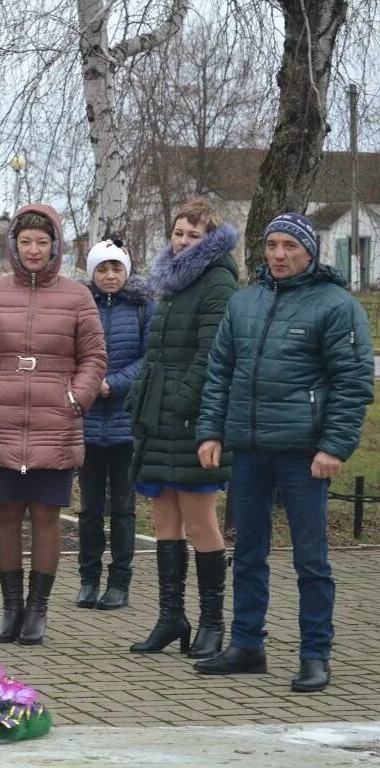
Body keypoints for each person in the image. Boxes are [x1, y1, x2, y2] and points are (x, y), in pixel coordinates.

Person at [194, 213, 374, 692]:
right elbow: (219, 373)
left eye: (289, 246)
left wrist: (334, 446)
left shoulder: (336, 306)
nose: (278, 254)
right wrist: (211, 432)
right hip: (249, 450)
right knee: (248, 553)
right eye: (272, 245)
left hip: (304, 453)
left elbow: (353, 383)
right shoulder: (244, 302)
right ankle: (247, 644)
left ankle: (316, 654)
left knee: (310, 560)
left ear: (309, 252)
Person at [0, 204, 106, 646]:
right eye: (25, 241)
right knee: (5, 516)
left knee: (46, 516)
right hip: (3, 420)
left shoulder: (78, 297)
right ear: (13, 245)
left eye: (42, 242)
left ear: (55, 247)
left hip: (55, 423)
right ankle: (11, 607)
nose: (33, 249)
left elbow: (95, 358)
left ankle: (38, 610)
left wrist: (74, 399)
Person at [128, 197, 238, 658]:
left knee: (200, 520)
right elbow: (158, 350)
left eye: (194, 235)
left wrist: (180, 400)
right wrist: (144, 398)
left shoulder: (218, 281)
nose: (183, 241)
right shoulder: (170, 282)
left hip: (194, 418)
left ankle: (213, 622)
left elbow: (213, 353)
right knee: (164, 518)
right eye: (178, 233)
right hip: (157, 417)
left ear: (209, 240)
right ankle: (171, 616)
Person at [76, 240, 154, 611]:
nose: (110, 276)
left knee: (123, 507)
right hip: (87, 423)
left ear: (127, 271)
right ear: (92, 273)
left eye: (116, 269)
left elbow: (148, 356)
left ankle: (119, 580)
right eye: (102, 269)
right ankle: (88, 578)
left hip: (126, 422)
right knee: (90, 508)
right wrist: (89, 386)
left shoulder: (141, 307)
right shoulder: (79, 306)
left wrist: (115, 383)